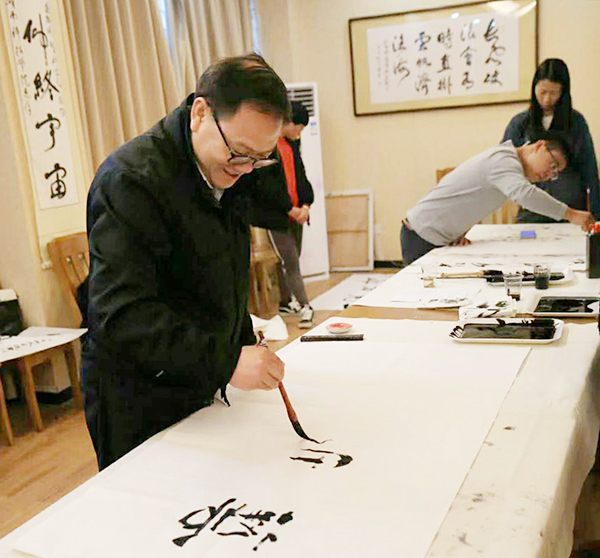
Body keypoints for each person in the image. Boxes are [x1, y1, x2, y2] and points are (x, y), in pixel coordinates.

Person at [79, 54, 292, 470]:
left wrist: (240, 339)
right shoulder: (131, 181)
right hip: (138, 394)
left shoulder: (231, 169)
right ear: (199, 113)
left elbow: (224, 265)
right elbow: (122, 314)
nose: (246, 168)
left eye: (260, 157)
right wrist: (225, 361)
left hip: (199, 378)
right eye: (240, 153)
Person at [401, 132, 594, 265]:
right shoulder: (503, 160)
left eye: (555, 173)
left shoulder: (508, 165)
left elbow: (473, 198)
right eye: (552, 165)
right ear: (539, 146)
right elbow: (525, 194)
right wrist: (571, 214)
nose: (549, 175)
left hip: (438, 238)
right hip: (420, 236)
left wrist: (456, 230)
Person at [502, 58, 600, 223]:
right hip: (532, 210)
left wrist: (597, 216)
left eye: (553, 93)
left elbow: (589, 170)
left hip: (572, 210)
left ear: (563, 92)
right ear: (534, 88)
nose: (547, 99)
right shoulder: (521, 123)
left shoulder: (576, 122)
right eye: (542, 92)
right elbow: (505, 161)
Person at [259, 101, 315, 328]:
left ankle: (284, 302)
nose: (299, 132)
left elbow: (301, 176)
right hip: (278, 216)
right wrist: (289, 208)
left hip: (296, 213)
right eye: (299, 127)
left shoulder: (292, 145)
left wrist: (305, 206)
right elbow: (267, 186)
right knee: (290, 260)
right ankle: (305, 305)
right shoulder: (267, 145)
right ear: (289, 122)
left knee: (291, 259)